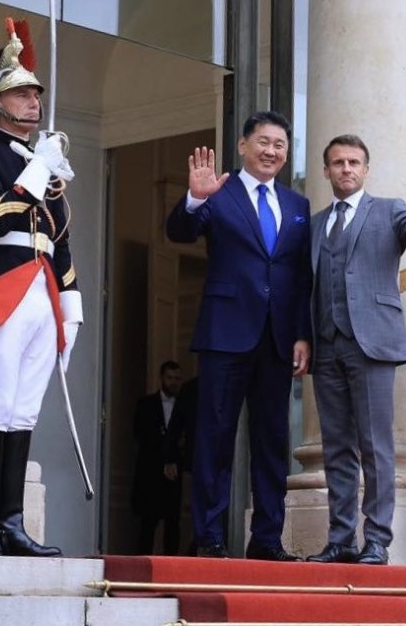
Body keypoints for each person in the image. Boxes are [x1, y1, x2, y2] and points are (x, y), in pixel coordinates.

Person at [0, 18, 81, 558]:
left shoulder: (43, 163)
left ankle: (12, 521)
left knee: (25, 410)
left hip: (43, 291)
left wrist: (71, 308)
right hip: (4, 286)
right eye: (22, 94)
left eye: (35, 95)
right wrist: (37, 172)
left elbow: (61, 239)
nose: (33, 102)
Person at [165, 111, 311, 561]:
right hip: (226, 332)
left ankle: (267, 539)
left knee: (272, 441)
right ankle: (209, 536)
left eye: (280, 145)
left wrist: (302, 334)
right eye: (263, 142)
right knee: (214, 436)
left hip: (277, 338)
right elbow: (179, 232)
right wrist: (195, 198)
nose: (271, 151)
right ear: (243, 145)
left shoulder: (297, 205)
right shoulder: (219, 191)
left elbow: (300, 276)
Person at [305, 135, 406, 566]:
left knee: (376, 446)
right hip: (326, 347)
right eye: (338, 163)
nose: (346, 169)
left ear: (366, 170)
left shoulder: (388, 210)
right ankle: (340, 539)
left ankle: (376, 541)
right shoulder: (315, 224)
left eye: (354, 162)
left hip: (371, 344)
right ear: (326, 170)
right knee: (336, 448)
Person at [132, 360, 186, 555]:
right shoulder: (145, 404)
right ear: (162, 378)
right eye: (170, 378)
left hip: (174, 473)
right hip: (150, 471)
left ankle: (172, 563)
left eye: (177, 379)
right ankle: (142, 562)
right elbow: (140, 435)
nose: (173, 382)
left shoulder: (184, 405)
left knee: (173, 522)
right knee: (148, 522)